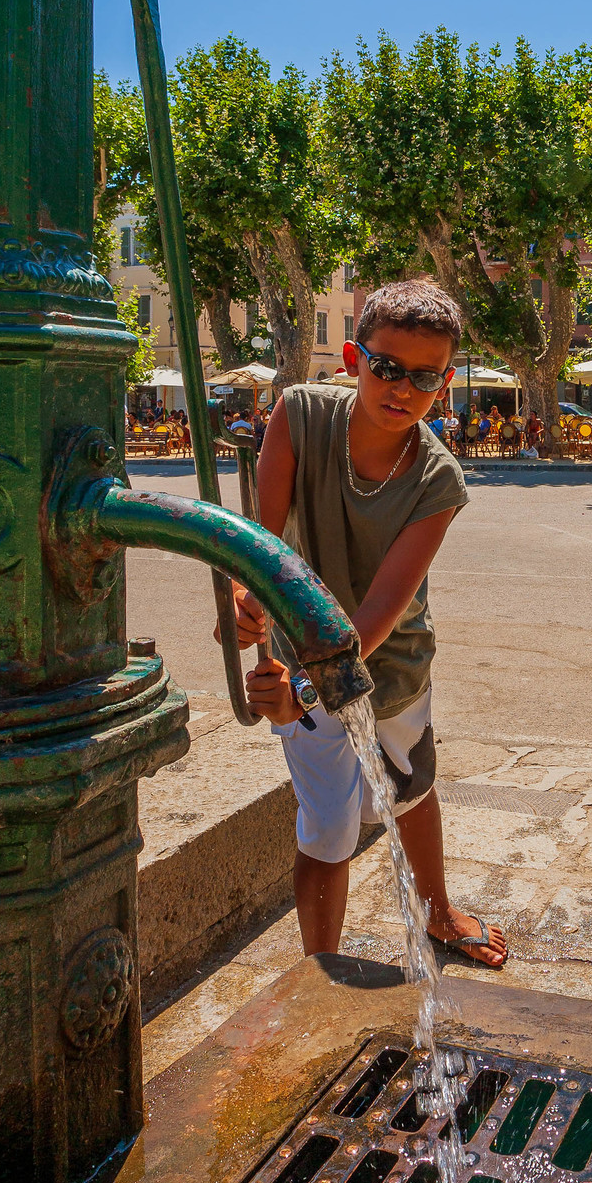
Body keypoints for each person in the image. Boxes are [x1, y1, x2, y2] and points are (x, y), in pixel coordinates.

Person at [222, 278, 507, 970]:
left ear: (444, 384)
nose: (401, 388)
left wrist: (304, 696)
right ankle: (320, 972)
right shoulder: (298, 414)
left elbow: (377, 618)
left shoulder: (438, 482)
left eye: (424, 377)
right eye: (385, 366)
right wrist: (243, 601)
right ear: (352, 357)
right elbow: (260, 545)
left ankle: (438, 911)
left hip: (391, 660)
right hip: (302, 656)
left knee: (411, 784)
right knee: (327, 826)